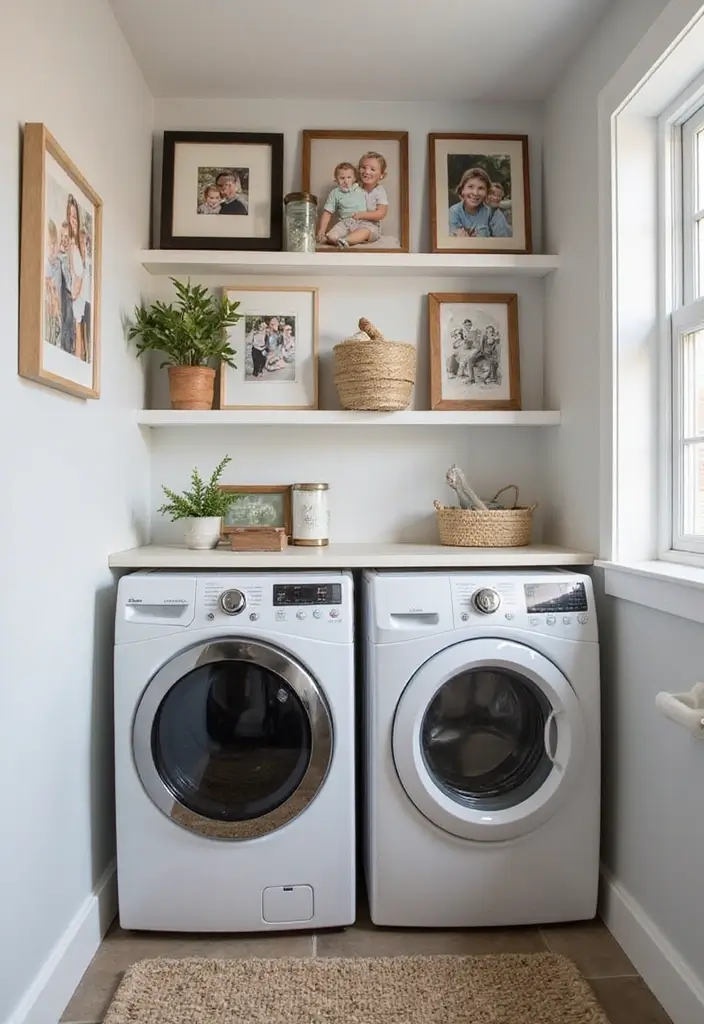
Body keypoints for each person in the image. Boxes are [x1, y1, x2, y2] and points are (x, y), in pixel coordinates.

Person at [337, 151, 389, 248]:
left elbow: (381, 213)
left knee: (364, 232)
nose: (367, 171)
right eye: (363, 167)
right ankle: (334, 238)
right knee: (337, 230)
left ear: (382, 175)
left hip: (370, 225)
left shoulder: (379, 191)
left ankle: (345, 241)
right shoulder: (354, 187)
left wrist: (362, 215)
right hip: (350, 222)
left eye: (372, 169)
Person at [316, 161, 367, 247]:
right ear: (336, 180)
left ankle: (350, 239)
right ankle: (340, 242)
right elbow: (327, 212)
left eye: (349, 177)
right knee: (331, 236)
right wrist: (322, 231)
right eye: (342, 178)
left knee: (363, 232)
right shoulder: (335, 193)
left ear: (354, 178)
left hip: (361, 221)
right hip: (344, 222)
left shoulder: (361, 190)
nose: (346, 181)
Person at [449, 167, 511, 238]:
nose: (475, 193)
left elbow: (505, 242)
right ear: (462, 190)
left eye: (481, 188)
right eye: (470, 187)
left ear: (487, 192)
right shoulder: (453, 212)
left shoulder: (493, 213)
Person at [66, 194, 85, 359]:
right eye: (71, 216)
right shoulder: (71, 245)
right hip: (74, 295)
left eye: (75, 216)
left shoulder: (77, 245)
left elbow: (79, 273)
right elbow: (74, 271)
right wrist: (74, 292)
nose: (73, 220)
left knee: (80, 335)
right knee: (77, 334)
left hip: (79, 296)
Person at [58, 220, 76, 354]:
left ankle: (68, 345)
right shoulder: (60, 257)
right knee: (66, 317)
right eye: (62, 237)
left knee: (70, 319)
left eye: (67, 238)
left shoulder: (71, 258)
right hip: (64, 295)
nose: (64, 241)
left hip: (69, 296)